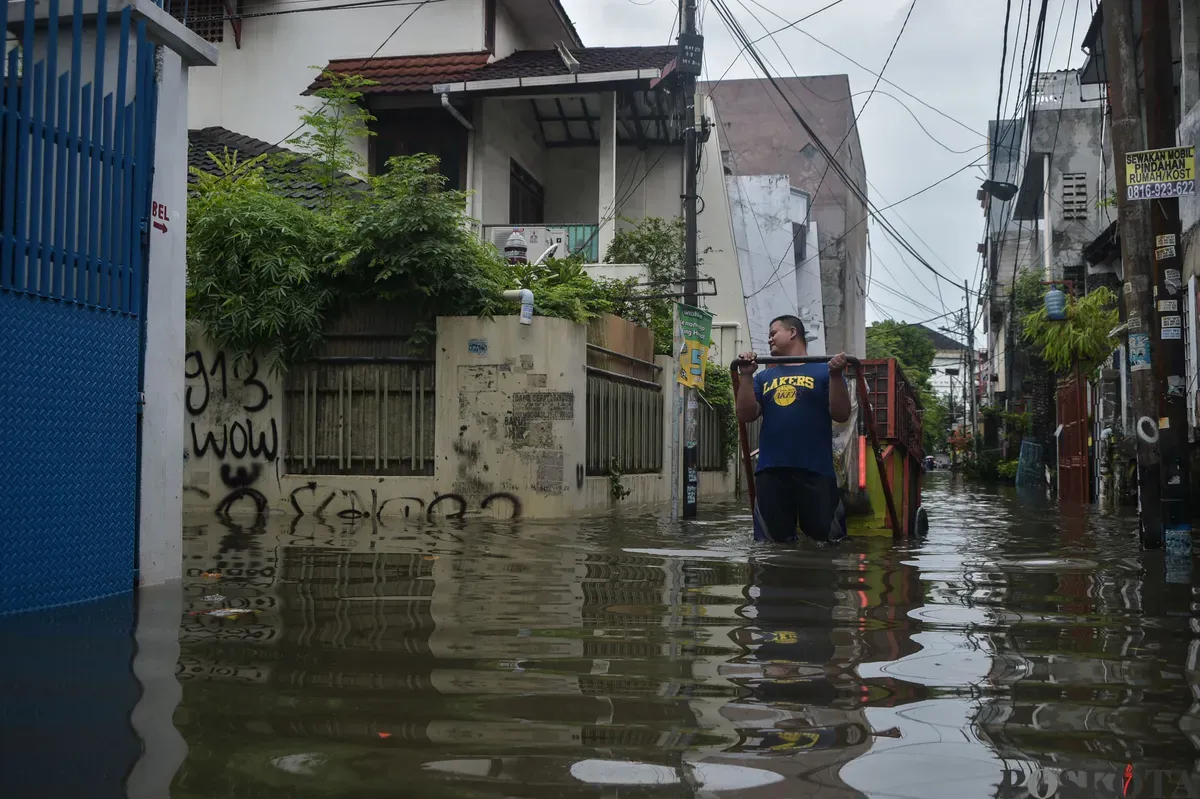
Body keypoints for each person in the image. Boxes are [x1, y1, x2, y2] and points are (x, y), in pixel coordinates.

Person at [736, 315, 851, 544]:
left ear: (792, 332)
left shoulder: (824, 371)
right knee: (771, 546)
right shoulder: (764, 376)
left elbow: (841, 414)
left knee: (828, 544)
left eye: (773, 333)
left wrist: (836, 375)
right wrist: (746, 376)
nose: (769, 340)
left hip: (815, 471)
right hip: (772, 472)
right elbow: (745, 415)